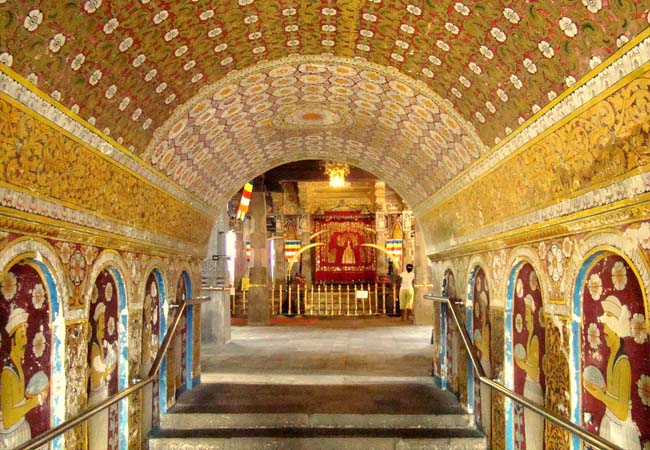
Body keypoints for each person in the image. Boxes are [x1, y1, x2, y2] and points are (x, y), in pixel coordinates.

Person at [583, 295, 640, 450]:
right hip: (610, 422)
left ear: (616, 331)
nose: (604, 330)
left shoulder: (623, 363)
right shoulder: (612, 356)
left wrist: (601, 395)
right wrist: (599, 389)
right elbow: (613, 393)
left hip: (620, 430)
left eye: (607, 328)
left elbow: (622, 411)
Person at [1, 308, 47, 449]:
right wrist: (33, 402)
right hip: (11, 437)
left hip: (20, 430)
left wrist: (31, 397)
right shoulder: (8, 374)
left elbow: (17, 403)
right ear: (13, 341)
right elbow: (8, 419)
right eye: (22, 335)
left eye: (25, 335)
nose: (25, 340)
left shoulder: (17, 366)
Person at [514, 294, 543, 450]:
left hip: (533, 387)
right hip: (528, 386)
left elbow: (533, 370)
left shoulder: (535, 339)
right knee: (529, 428)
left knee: (534, 431)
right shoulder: (531, 336)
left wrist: (521, 364)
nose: (525, 320)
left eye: (527, 316)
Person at [88, 303, 117, 450]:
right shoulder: (94, 346)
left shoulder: (100, 343)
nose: (104, 324)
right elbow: (96, 375)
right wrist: (109, 370)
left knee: (102, 428)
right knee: (97, 429)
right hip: (97, 393)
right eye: (101, 321)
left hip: (102, 391)